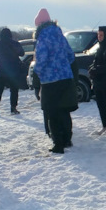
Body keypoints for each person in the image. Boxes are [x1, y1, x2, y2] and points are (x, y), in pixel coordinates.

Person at [32, 8, 76, 154]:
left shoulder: (42, 37)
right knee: (64, 110)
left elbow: (41, 59)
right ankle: (67, 139)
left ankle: (58, 144)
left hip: (50, 81)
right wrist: (63, 66)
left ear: (39, 24)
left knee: (52, 112)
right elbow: (71, 55)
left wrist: (37, 71)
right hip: (65, 78)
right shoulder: (60, 35)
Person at [0, 28, 24, 116]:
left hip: (0, 70)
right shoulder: (15, 43)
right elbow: (22, 53)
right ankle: (13, 108)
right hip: (13, 71)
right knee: (14, 90)